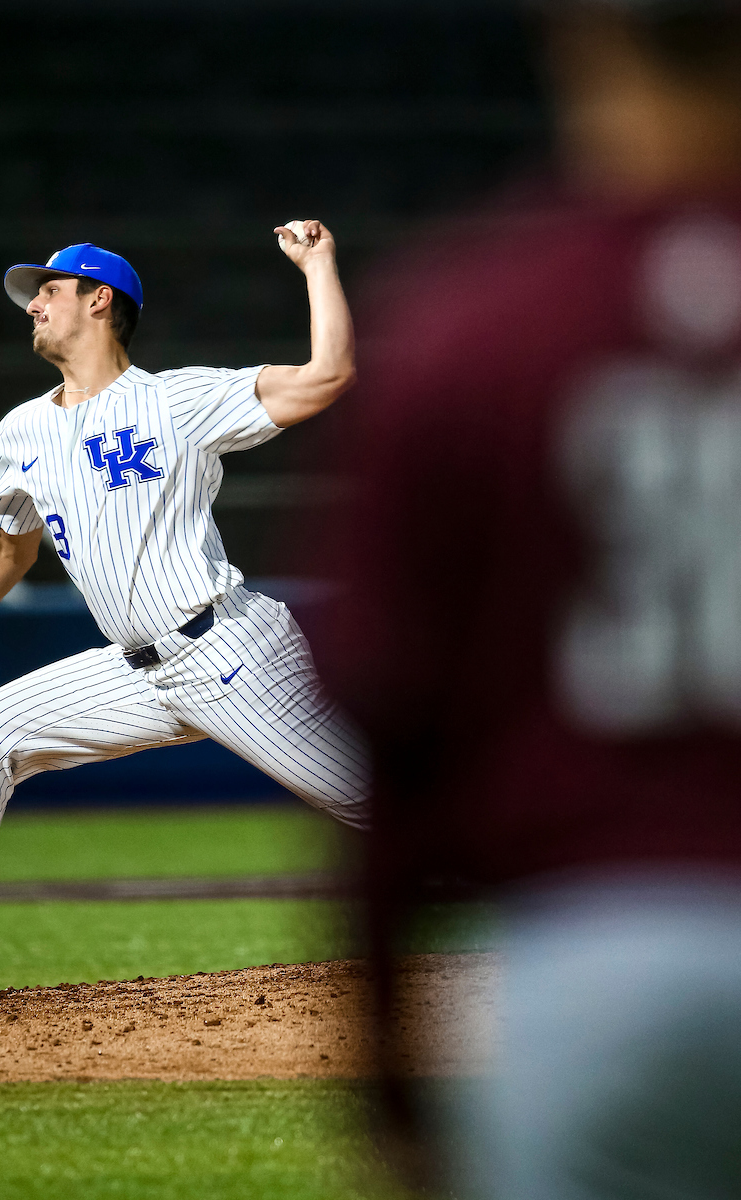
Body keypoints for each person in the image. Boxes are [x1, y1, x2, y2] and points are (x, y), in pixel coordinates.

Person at [330, 3, 741, 1196]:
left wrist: (393, 1093)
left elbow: (395, 744)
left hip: (590, 972)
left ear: (577, 37)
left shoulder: (473, 322)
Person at [0, 222, 369, 1009]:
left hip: (227, 648)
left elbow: (330, 375)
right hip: (134, 669)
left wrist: (318, 263)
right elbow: (6, 553)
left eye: (47, 289)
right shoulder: (24, 429)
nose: (33, 305)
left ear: (100, 300)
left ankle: (574, 900)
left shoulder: (177, 401)